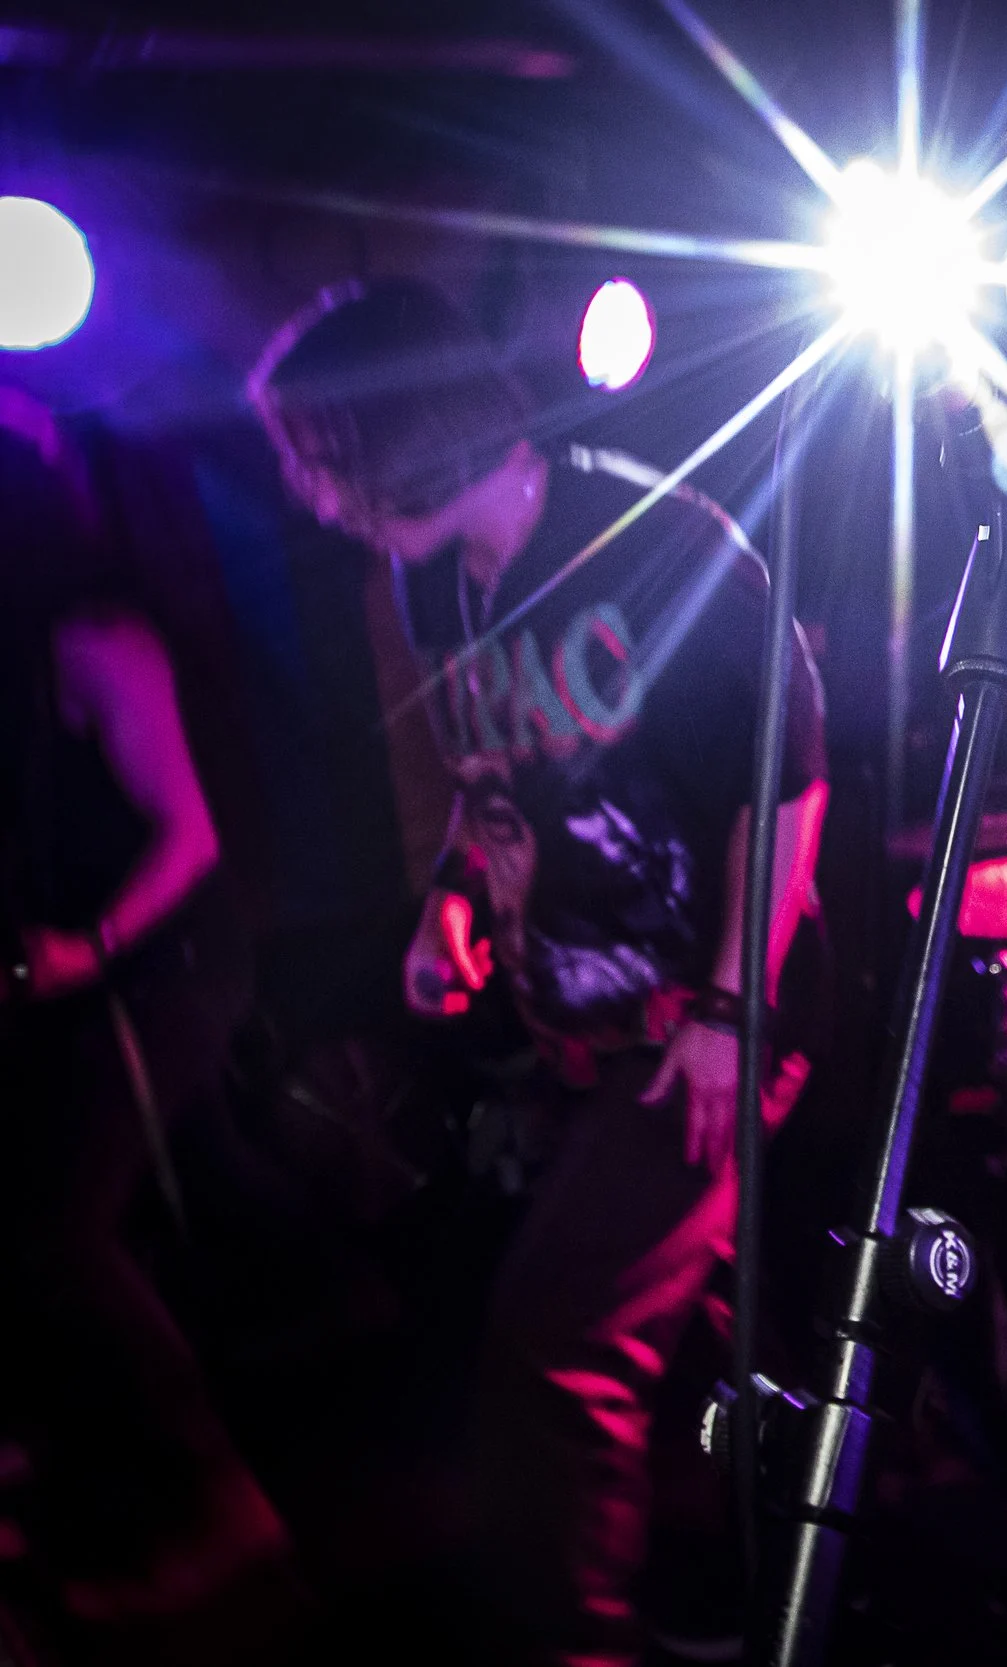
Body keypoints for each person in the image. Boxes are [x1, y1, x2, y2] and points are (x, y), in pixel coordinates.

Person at [249, 279, 828, 1665]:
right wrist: (455, 900)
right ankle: (752, 1569)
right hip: (585, 1022)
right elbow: (492, 771)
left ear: (406, 430)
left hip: (707, 1023)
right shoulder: (426, 577)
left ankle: (585, 1641)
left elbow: (789, 783)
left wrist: (733, 1010)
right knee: (690, 1331)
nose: (311, 495)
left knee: (555, 1335)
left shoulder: (654, 538)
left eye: (324, 456)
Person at [0, 404, 283, 1621]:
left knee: (59, 1227)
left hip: (176, 961)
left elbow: (191, 834)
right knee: (192, 1181)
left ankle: (228, 1504)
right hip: (94, 976)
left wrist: (89, 946)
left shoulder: (100, 638)